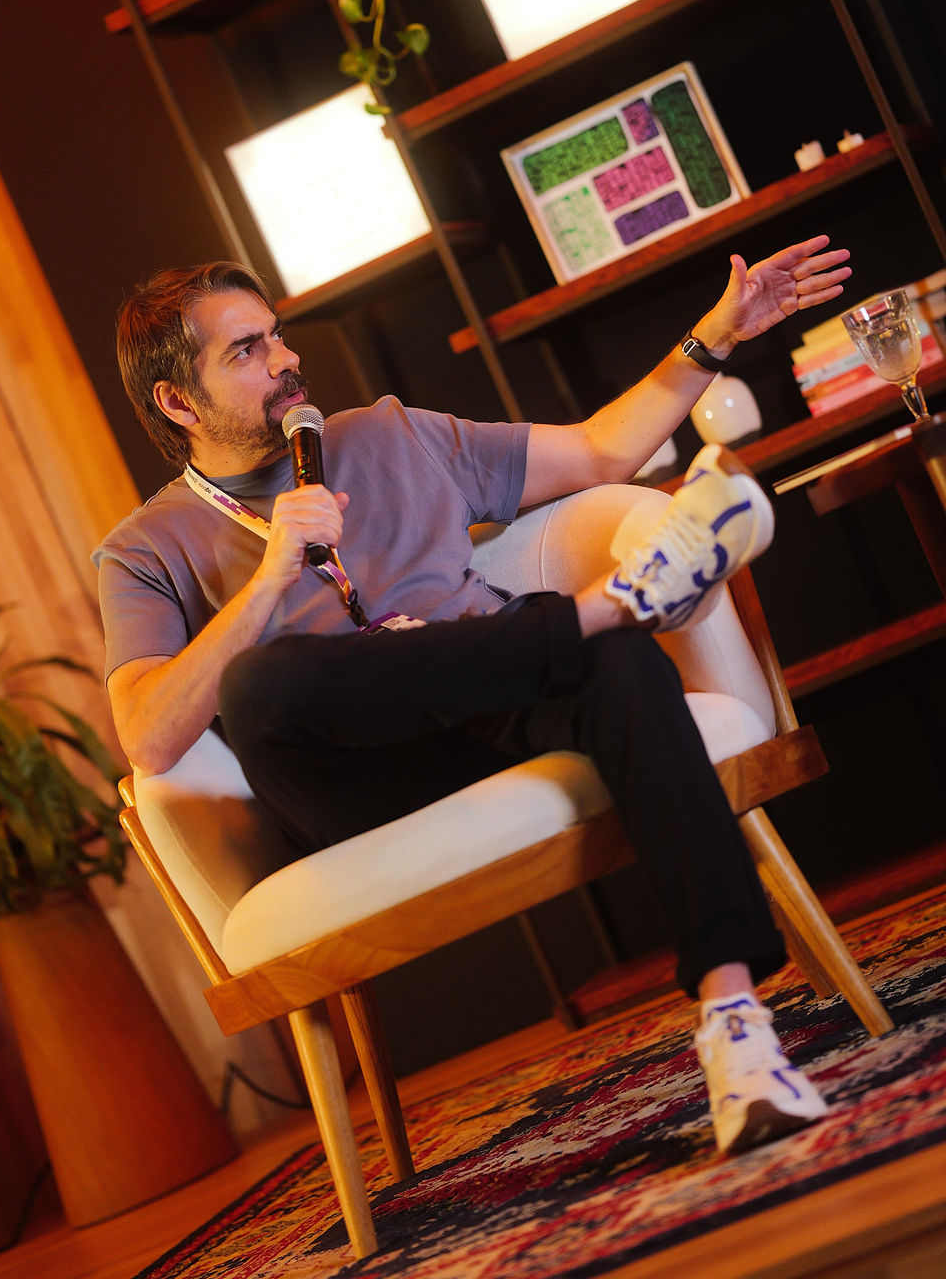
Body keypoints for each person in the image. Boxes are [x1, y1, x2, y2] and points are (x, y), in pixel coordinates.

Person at [95, 233, 851, 1156]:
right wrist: (269, 578)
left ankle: (737, 1027)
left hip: (496, 702)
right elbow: (148, 736)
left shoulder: (387, 434)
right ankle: (607, 610)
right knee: (260, 683)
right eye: (246, 351)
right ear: (178, 401)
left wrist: (716, 335)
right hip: (361, 778)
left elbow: (600, 451)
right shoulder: (145, 549)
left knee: (621, 666)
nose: (285, 359)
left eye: (278, 335)